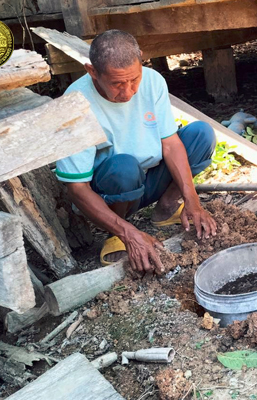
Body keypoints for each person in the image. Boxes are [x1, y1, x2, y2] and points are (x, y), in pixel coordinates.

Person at [55, 30, 217, 273]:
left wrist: (192, 201)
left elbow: (171, 144)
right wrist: (128, 233)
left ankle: (167, 207)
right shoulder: (75, 104)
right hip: (111, 193)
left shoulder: (152, 81)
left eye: (134, 80)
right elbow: (77, 189)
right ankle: (117, 232)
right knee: (124, 167)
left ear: (141, 59)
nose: (129, 92)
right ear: (92, 72)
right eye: (118, 84)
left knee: (201, 134)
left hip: (149, 180)